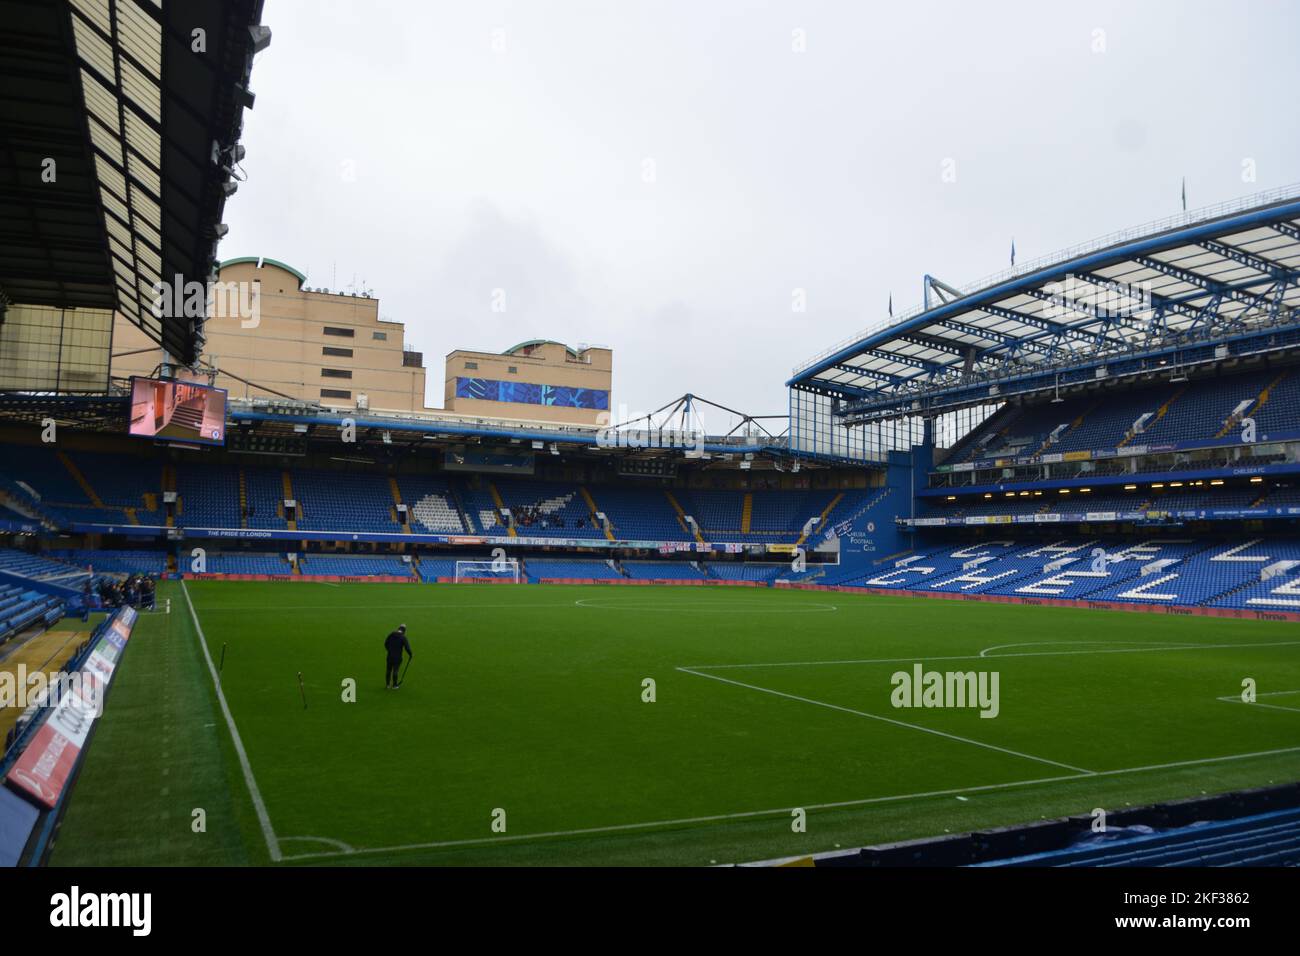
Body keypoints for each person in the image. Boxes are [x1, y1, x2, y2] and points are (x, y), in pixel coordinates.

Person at [384, 623, 412, 689]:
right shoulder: (403, 637)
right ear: (404, 631)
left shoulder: (391, 634)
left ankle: (387, 685)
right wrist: (410, 654)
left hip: (390, 656)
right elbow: (407, 648)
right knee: (395, 671)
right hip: (397, 657)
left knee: (388, 670)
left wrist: (389, 650)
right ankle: (394, 685)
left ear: (398, 628)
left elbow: (385, 643)